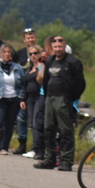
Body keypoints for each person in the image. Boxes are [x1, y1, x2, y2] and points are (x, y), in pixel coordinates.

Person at [36, 35, 85, 171]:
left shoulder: (73, 62)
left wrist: (71, 98)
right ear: (52, 47)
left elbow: (80, 84)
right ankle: (49, 159)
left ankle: (66, 160)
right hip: (50, 98)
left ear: (65, 46)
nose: (58, 49)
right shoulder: (50, 60)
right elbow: (45, 79)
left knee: (65, 131)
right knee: (48, 129)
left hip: (64, 99)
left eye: (60, 46)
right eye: (55, 47)